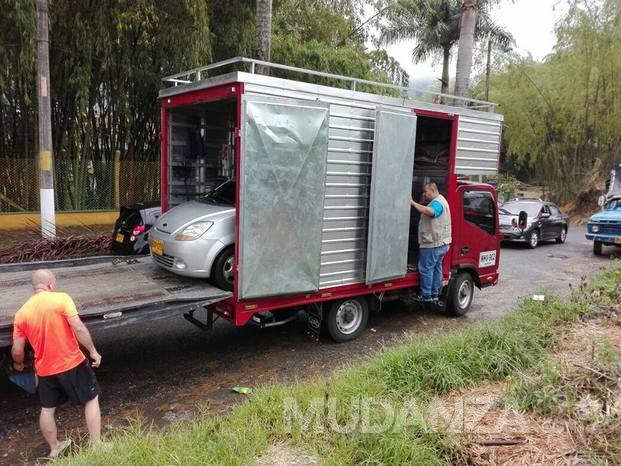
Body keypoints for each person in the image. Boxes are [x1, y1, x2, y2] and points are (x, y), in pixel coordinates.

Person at [11, 269, 102, 458]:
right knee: (91, 399)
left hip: (44, 369)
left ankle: (55, 448)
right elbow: (77, 327)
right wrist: (93, 351)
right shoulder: (61, 299)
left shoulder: (21, 313)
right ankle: (97, 446)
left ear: (34, 287)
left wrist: (18, 364)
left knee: (47, 408)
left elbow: (17, 351)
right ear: (51, 284)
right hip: (71, 363)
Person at [411, 182, 452, 303]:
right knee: (436, 268)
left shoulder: (438, 203)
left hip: (433, 244)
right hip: (442, 244)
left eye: (426, 192)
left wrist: (413, 203)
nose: (424, 194)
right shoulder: (442, 200)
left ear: (433, 190)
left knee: (426, 269)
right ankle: (435, 294)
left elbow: (431, 212)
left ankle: (426, 296)